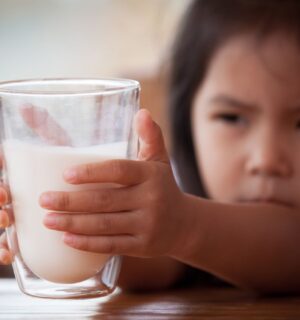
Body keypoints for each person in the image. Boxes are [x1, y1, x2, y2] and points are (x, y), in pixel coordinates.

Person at [1, 0, 300, 293]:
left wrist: (184, 225)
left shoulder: (189, 221)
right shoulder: (184, 200)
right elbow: (156, 263)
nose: (266, 159)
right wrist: (85, 214)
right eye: (231, 118)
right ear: (186, 117)